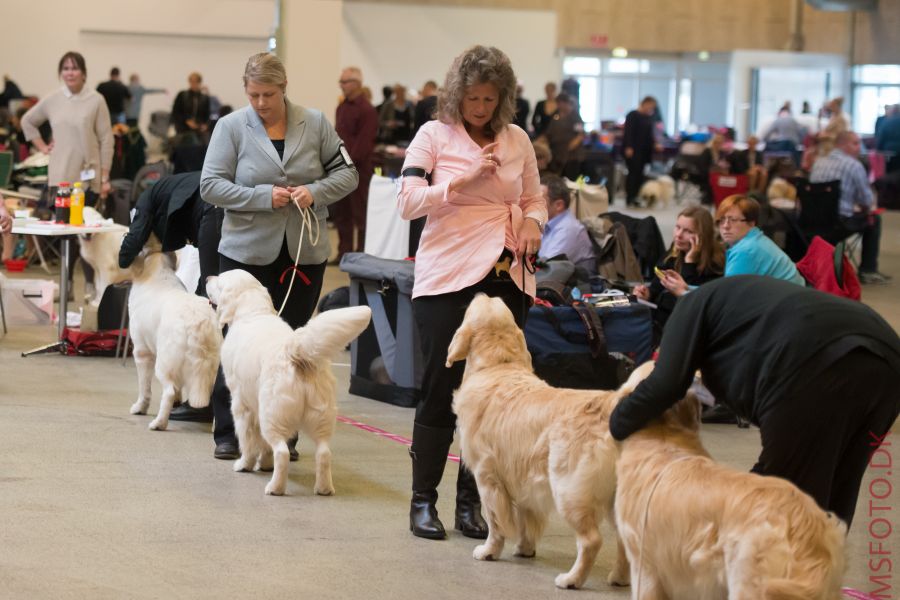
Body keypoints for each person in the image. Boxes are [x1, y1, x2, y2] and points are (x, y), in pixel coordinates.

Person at [397, 44, 545, 541]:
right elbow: (408, 202)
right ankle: (422, 502)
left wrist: (533, 224)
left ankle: (471, 504)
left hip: (507, 274)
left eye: (490, 100)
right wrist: (461, 180)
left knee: (493, 397)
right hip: (446, 273)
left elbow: (534, 198)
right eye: (473, 99)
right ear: (456, 95)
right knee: (442, 388)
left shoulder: (517, 139)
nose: (480, 108)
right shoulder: (432, 135)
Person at [610, 275, 900, 527]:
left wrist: (614, 420)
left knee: (772, 498)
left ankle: (773, 583)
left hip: (811, 360)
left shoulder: (688, 308)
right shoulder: (731, 302)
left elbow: (666, 384)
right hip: (887, 359)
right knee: (839, 485)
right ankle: (819, 578)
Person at [200, 52, 358, 459]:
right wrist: (260, 198)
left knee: (294, 343)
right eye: (253, 94)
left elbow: (348, 174)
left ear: (284, 88)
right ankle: (230, 433)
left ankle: (283, 433)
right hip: (245, 254)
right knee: (238, 345)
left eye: (268, 94)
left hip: (303, 252)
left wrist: (315, 191)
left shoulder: (317, 123)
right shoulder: (231, 127)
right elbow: (210, 186)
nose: (260, 103)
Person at [21, 51, 114, 298]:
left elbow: (106, 139)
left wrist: (105, 176)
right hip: (60, 177)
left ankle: (92, 285)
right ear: (61, 73)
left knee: (87, 234)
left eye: (74, 68)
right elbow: (27, 121)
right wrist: (41, 146)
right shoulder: (52, 100)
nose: (70, 73)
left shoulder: (96, 100)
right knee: (66, 235)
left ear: (83, 73)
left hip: (88, 179)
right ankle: (68, 284)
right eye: (65, 68)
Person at [118, 171, 222, 297]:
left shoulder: (145, 200)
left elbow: (135, 237)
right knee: (210, 286)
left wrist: (121, 266)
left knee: (209, 290)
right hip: (219, 204)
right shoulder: (165, 192)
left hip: (212, 206)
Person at [633, 206, 724, 345]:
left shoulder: (714, 264)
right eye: (678, 227)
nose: (678, 235)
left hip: (677, 326)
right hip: (655, 315)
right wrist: (647, 293)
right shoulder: (675, 251)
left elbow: (690, 301)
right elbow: (657, 285)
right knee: (606, 305)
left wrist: (690, 263)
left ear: (702, 236)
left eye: (688, 231)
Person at [810, 131, 889, 285]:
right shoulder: (854, 165)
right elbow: (866, 200)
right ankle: (868, 270)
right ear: (844, 145)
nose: (859, 148)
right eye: (856, 143)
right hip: (839, 224)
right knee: (875, 219)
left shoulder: (819, 162)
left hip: (812, 221)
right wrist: (863, 208)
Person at [709, 195, 805, 285]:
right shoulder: (754, 239)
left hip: (788, 300)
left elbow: (727, 293)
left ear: (751, 223)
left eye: (733, 220)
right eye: (721, 220)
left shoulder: (746, 250)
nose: (725, 226)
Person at [334, 66, 378, 261]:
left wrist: (349, 163)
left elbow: (364, 142)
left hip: (359, 171)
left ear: (356, 84)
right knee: (342, 214)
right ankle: (344, 253)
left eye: (344, 82)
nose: (341, 86)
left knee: (360, 215)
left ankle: (360, 254)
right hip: (341, 170)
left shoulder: (367, 110)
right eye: (341, 82)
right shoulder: (341, 107)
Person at [537, 173, 594, 271]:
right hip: (551, 280)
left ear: (558, 205)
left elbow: (545, 269)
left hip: (571, 284)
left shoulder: (568, 229)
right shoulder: (546, 222)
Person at [536, 92, 583, 178]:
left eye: (561, 103)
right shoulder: (556, 115)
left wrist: (570, 147)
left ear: (566, 103)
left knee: (570, 178)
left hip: (571, 157)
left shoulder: (575, 116)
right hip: (556, 154)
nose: (559, 106)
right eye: (558, 103)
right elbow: (548, 133)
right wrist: (538, 142)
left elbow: (580, 135)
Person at [623, 96, 657, 206]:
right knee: (632, 173)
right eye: (650, 106)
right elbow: (628, 132)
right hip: (633, 149)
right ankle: (630, 197)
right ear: (645, 103)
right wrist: (629, 146)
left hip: (644, 151)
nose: (651, 108)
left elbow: (649, 134)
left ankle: (636, 196)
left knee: (640, 175)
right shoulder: (632, 115)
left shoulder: (648, 117)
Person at [171, 72, 211, 136]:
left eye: (196, 81)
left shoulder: (205, 98)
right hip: (183, 128)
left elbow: (207, 114)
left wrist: (205, 124)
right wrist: (187, 121)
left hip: (199, 129)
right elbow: (176, 112)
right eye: (191, 81)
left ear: (200, 82)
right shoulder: (182, 95)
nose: (193, 84)